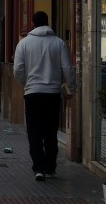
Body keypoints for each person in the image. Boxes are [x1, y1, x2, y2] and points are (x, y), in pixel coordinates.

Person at [13, 10, 76, 181]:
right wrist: (72, 87)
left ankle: (38, 167)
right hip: (53, 94)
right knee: (50, 131)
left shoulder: (24, 44)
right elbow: (68, 69)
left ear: (32, 24)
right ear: (48, 23)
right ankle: (50, 166)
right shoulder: (59, 43)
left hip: (32, 94)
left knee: (34, 131)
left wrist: (26, 83)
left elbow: (18, 69)